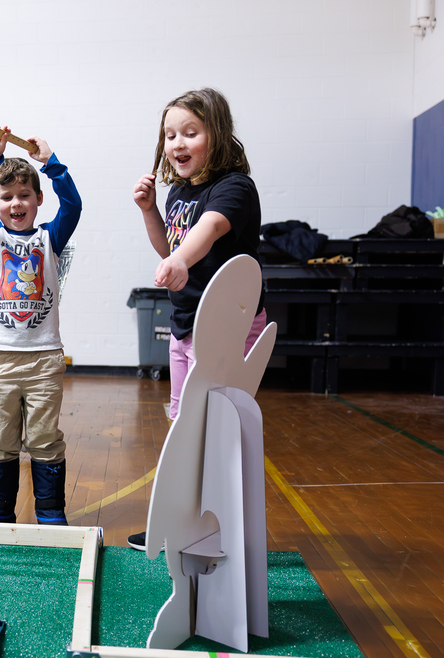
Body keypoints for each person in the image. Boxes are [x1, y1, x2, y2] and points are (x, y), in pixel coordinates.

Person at [129, 87, 266, 550]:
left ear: (217, 135)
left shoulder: (234, 188)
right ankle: (184, 522)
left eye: (191, 132)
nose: (178, 143)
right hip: (187, 323)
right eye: (170, 135)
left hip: (228, 326)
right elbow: (171, 248)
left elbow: (207, 232)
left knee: (218, 430)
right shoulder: (178, 193)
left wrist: (182, 260)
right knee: (183, 425)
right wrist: (150, 211)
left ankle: (216, 527)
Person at [0, 129, 82, 525]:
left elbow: (74, 205)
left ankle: (50, 510)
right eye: (7, 196)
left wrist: (51, 163)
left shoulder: (50, 237)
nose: (17, 203)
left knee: (45, 438)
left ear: (38, 199)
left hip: (44, 358)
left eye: (24, 195)